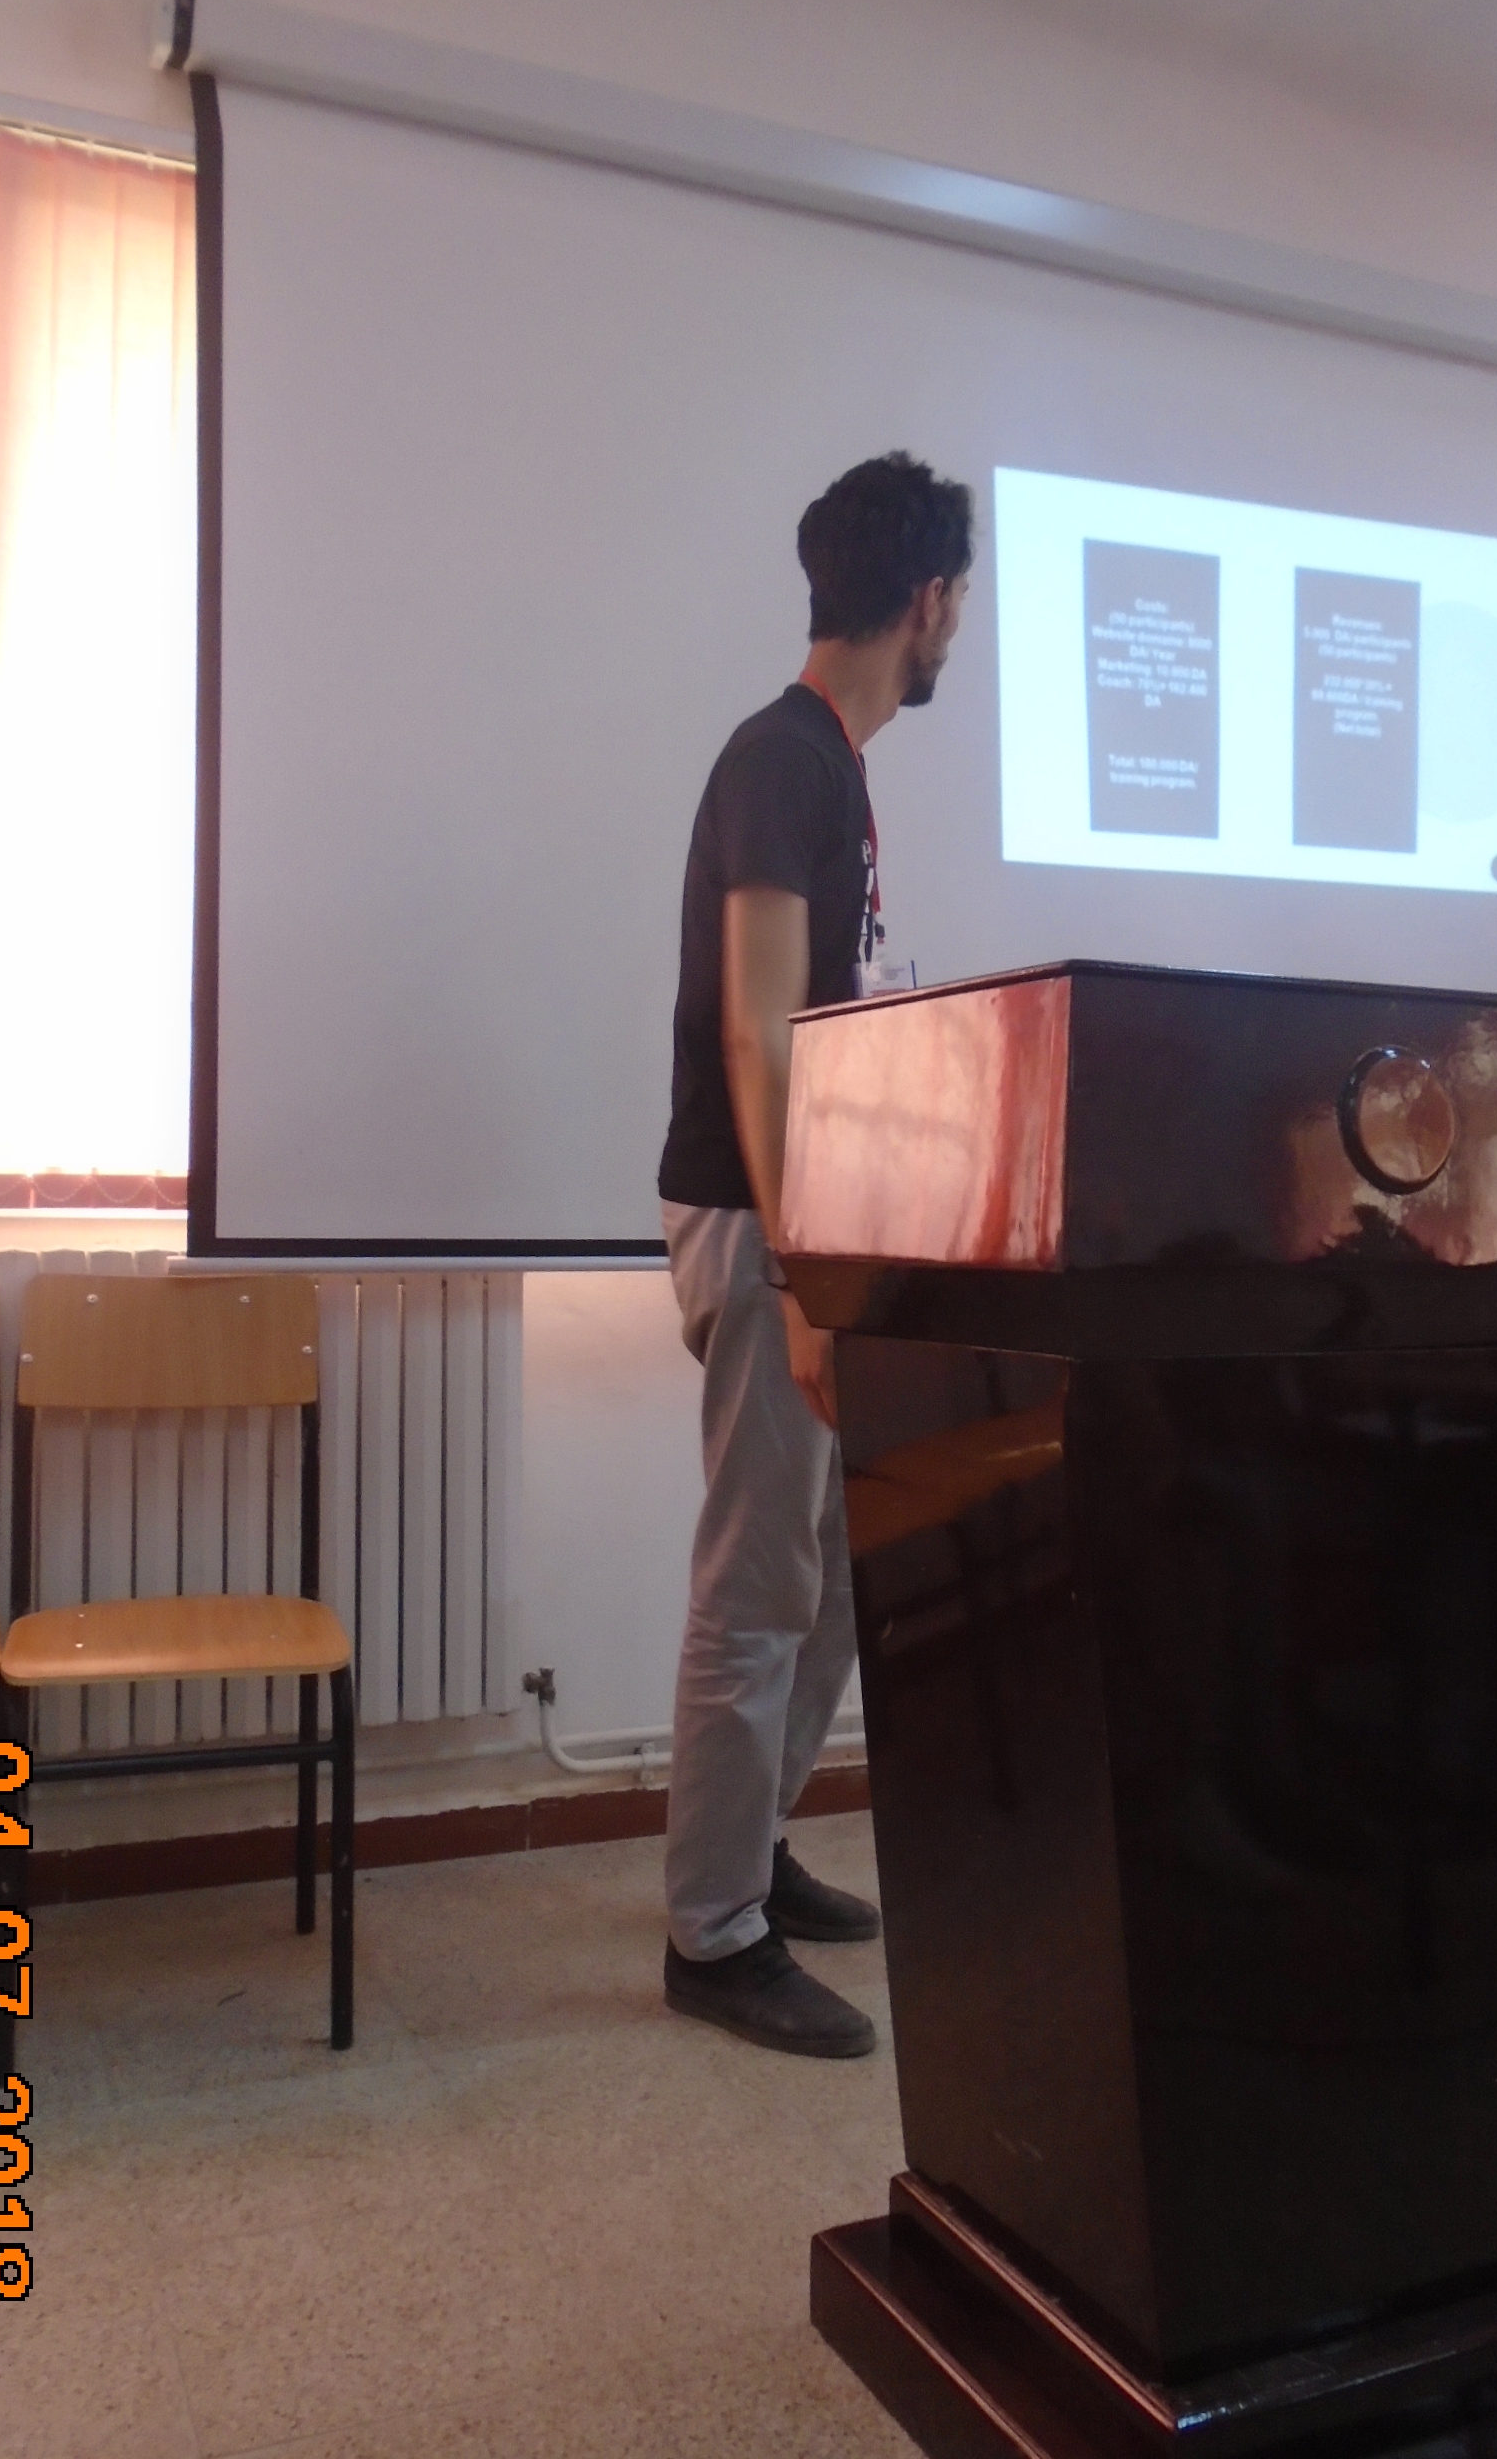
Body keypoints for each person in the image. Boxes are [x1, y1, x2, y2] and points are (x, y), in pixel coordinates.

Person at [656, 450, 973, 2058]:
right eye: (959, 605)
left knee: (842, 1566)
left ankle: (753, 1851)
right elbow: (755, 1030)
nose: (957, 631)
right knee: (761, 1579)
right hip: (760, 1222)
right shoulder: (781, 758)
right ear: (928, 600)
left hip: (817, 1228)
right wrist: (798, 1279)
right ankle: (711, 1936)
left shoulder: (829, 769)